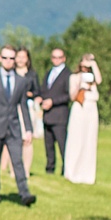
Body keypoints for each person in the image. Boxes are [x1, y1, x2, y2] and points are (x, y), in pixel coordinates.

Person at [0, 45, 37, 207]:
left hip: (14, 128)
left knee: (18, 161)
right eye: (5, 58)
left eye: (12, 58)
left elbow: (23, 106)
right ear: (0, 58)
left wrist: (29, 129)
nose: (9, 61)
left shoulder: (21, 81)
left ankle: (25, 193)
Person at [1, 46, 40, 180]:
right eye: (19, 56)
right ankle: (14, 170)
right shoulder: (9, 74)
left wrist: (30, 94)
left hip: (27, 108)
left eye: (24, 57)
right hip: (12, 108)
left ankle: (26, 170)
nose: (21, 59)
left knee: (27, 140)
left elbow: (37, 91)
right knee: (14, 139)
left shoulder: (31, 74)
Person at [64, 53, 103, 184]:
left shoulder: (93, 79)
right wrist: (80, 85)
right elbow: (72, 95)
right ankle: (72, 171)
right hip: (79, 107)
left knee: (89, 140)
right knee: (77, 139)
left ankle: (87, 174)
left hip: (91, 108)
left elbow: (99, 80)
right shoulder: (74, 77)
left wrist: (93, 64)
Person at [37, 46, 72, 174]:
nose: (56, 60)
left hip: (60, 115)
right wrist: (41, 98)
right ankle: (50, 169)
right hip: (47, 115)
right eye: (54, 57)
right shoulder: (48, 73)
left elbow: (69, 95)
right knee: (48, 146)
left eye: (59, 57)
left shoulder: (68, 75)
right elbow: (44, 90)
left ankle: (67, 169)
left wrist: (53, 102)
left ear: (64, 58)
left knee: (63, 145)